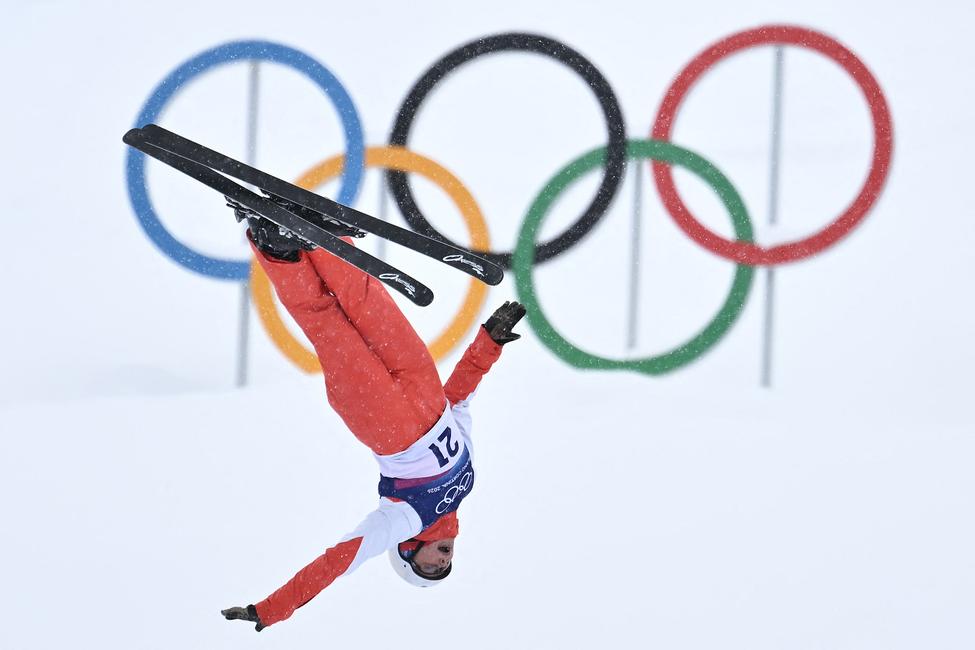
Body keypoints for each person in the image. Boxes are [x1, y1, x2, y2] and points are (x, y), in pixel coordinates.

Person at [220, 201, 525, 632]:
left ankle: (279, 248)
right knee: (368, 300)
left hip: (384, 422)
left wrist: (270, 609)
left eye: (430, 568)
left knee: (328, 323)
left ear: (406, 553)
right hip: (423, 384)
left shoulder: (401, 521)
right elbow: (458, 402)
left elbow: (335, 563)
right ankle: (323, 240)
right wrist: (488, 345)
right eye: (446, 566)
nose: (444, 560)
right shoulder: (468, 482)